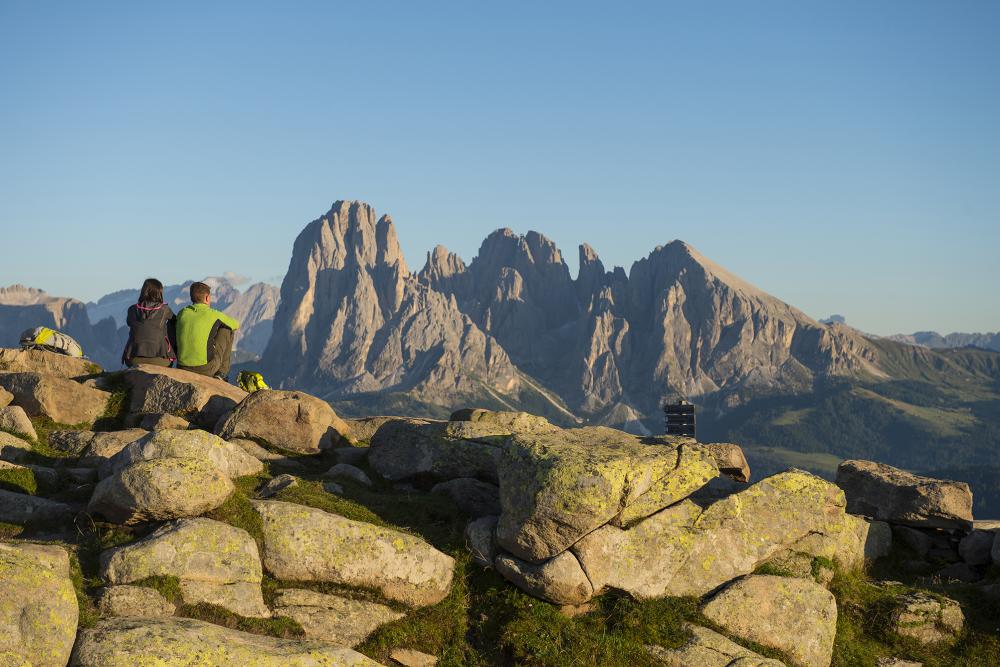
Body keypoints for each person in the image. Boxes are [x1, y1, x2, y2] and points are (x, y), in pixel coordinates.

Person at [175, 281, 240, 380]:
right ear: (207, 298)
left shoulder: (182, 313)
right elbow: (235, 325)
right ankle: (222, 373)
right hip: (205, 369)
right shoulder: (213, 314)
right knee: (227, 329)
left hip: (182, 366)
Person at [122, 278, 176, 367]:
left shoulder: (132, 309)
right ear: (159, 293)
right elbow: (176, 321)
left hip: (133, 360)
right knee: (171, 324)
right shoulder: (165, 309)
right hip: (161, 361)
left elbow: (129, 323)